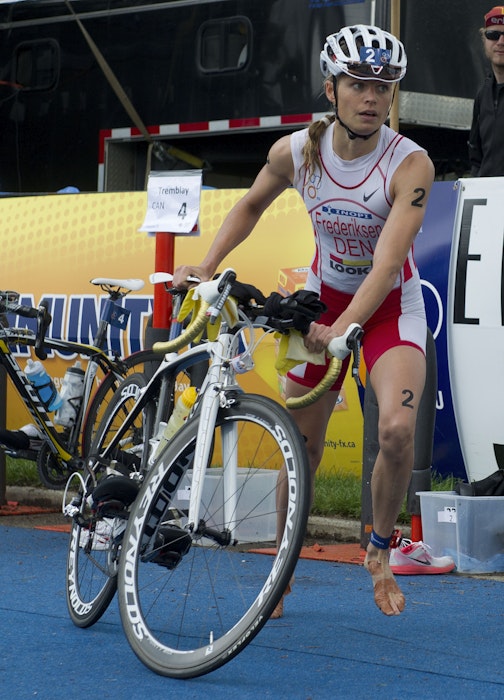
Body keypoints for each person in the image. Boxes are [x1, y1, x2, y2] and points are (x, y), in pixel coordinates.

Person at [173, 24, 434, 618]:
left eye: (383, 87)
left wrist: (347, 329)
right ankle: (283, 565)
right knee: (302, 446)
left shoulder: (410, 165)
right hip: (323, 301)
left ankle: (378, 550)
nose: (372, 97)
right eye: (359, 84)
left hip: (390, 307)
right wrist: (207, 264)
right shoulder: (296, 152)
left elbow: (387, 264)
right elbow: (249, 205)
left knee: (396, 430)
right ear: (331, 89)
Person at [468, 6, 504, 176]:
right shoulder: (483, 95)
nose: (501, 41)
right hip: (487, 190)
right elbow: (476, 157)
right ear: (484, 39)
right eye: (493, 35)